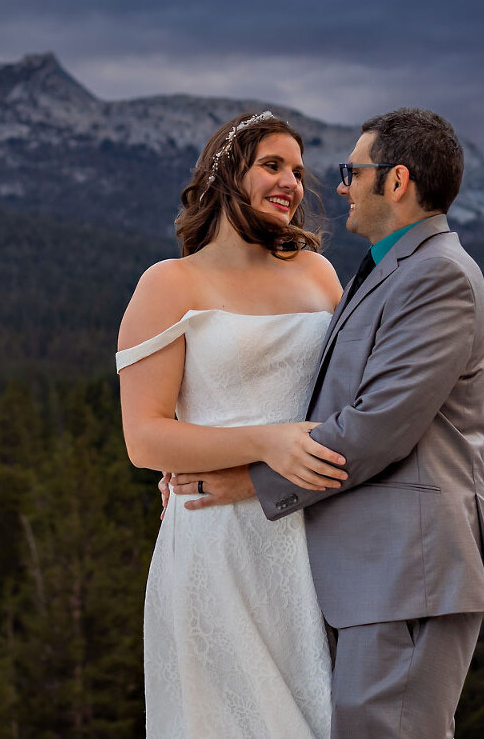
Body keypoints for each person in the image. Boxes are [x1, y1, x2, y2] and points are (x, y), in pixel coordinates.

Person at [172, 107, 484, 739]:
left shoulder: (440, 276)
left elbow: (378, 426)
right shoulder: (387, 268)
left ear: (397, 180)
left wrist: (247, 480)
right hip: (370, 572)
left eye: (353, 172)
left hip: (410, 570)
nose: (341, 187)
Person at [116, 110, 346, 738]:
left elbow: (348, 401)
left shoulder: (318, 273)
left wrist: (274, 466)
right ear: (224, 174)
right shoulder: (169, 283)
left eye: (298, 171)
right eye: (273, 165)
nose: (292, 182)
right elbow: (145, 437)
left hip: (314, 527)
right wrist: (266, 444)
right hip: (214, 539)